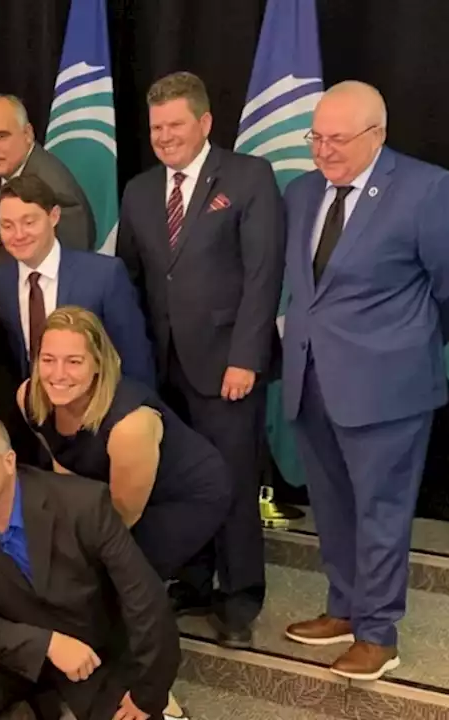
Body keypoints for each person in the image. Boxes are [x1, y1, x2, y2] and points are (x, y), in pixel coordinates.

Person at [280, 81, 449, 680]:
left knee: (382, 510)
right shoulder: (300, 193)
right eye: (315, 137)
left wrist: (408, 341)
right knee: (333, 504)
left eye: (337, 139)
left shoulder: (427, 190)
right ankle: (344, 608)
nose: (323, 150)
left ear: (378, 134)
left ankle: (378, 633)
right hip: (310, 377)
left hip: (388, 383)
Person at [116, 71, 285, 648]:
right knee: (179, 482)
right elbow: (130, 282)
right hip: (161, 369)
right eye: (156, 127)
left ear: (205, 123)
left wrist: (248, 358)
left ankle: (239, 598)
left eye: (175, 125)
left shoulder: (248, 176)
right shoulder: (139, 191)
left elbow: (264, 277)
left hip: (227, 366)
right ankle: (192, 578)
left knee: (232, 482)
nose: (164, 136)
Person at [0, 409, 180, 720]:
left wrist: (148, 694)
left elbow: (145, 601)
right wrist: (45, 644)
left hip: (93, 654)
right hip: (13, 654)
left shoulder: (82, 503)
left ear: (8, 462)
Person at [21, 306, 231, 589]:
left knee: (116, 575)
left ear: (98, 363)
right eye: (48, 359)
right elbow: (64, 466)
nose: (58, 374)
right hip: (117, 483)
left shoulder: (129, 426)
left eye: (74, 362)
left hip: (185, 493)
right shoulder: (29, 397)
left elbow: (122, 515)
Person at [0, 176, 153, 387]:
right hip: (27, 414)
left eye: (29, 222)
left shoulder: (104, 276)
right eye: (7, 226)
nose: (18, 235)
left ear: (54, 216)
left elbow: (135, 363)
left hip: (99, 412)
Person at [0, 94, 94, 270]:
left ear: (27, 134)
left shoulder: (55, 191)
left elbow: (70, 275)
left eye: (1, 136)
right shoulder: (11, 171)